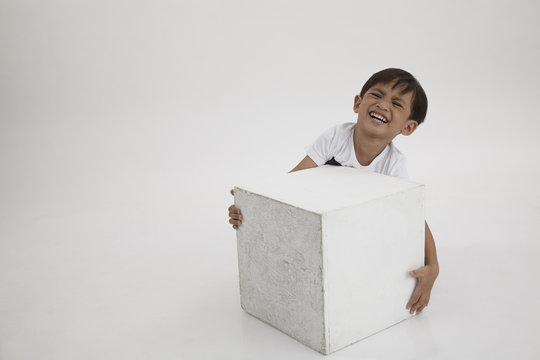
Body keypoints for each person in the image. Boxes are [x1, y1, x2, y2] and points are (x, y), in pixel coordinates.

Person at [228, 68, 439, 315]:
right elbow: (294, 180)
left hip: (358, 227)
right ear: (358, 103)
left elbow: (413, 216)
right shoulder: (336, 138)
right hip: (321, 218)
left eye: (396, 103)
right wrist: (252, 205)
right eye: (376, 95)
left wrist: (433, 267)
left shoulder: (393, 164)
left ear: (408, 127)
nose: (382, 105)